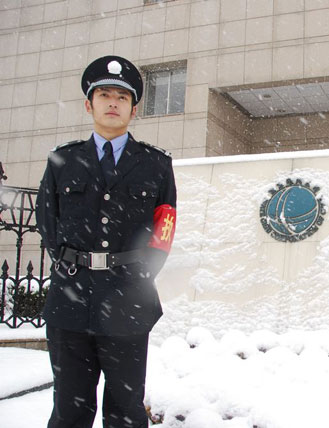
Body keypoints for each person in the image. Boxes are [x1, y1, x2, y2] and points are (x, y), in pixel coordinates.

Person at [36, 55, 177, 428]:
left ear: (134, 109)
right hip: (70, 300)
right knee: (69, 409)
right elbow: (48, 221)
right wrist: (70, 266)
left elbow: (164, 227)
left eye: (122, 97)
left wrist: (137, 279)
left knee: (126, 410)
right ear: (89, 104)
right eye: (104, 95)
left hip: (128, 299)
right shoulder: (62, 160)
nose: (113, 103)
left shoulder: (155, 164)